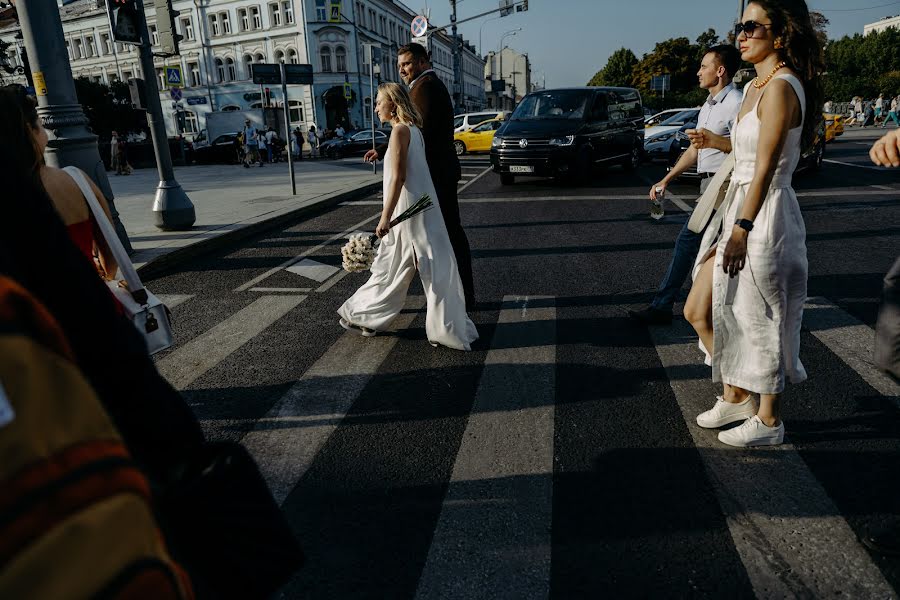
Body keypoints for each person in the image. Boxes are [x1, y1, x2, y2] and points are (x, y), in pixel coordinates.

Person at [684, 0, 823, 447]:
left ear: (779, 35)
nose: (740, 35)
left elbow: (765, 167)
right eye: (738, 27)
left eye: (750, 27)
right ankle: (737, 393)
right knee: (699, 307)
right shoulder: (753, 88)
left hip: (765, 213)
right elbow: (744, 153)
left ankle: (768, 421)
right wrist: (716, 143)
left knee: (762, 315)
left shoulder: (782, 87)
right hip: (737, 207)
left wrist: (743, 228)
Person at [338, 82, 478, 351]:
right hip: (418, 210)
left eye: (380, 102)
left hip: (410, 212)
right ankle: (370, 317)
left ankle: (374, 317)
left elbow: (399, 178)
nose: (376, 107)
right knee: (400, 266)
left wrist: (385, 217)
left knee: (406, 266)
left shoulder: (401, 131)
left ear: (393, 103)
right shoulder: (413, 130)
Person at [630, 45, 743, 325]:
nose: (698, 71)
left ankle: (665, 307)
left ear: (720, 71)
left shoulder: (736, 103)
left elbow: (747, 149)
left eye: (704, 66)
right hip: (707, 186)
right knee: (707, 248)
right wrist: (667, 178)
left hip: (724, 185)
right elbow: (695, 150)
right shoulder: (708, 105)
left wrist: (713, 141)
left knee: (689, 241)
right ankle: (718, 307)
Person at [365, 42, 476, 311]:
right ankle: (456, 295)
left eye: (407, 63)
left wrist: (386, 149)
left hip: (436, 176)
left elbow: (417, 129)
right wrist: (385, 149)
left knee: (444, 235)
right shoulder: (421, 86)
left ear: (424, 62)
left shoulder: (425, 87)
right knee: (435, 237)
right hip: (437, 174)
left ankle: (460, 296)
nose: (402, 69)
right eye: (400, 64)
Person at [3, 85, 118, 280]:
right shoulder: (75, 181)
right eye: (41, 125)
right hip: (88, 300)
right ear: (31, 131)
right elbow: (111, 257)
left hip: (28, 309)